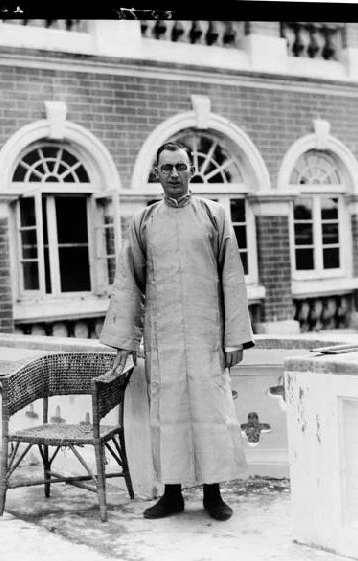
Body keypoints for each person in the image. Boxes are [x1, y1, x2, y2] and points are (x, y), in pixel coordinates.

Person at [99, 141, 255, 521]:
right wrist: (125, 338)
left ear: (191, 171)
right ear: (156, 173)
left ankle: (214, 493)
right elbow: (128, 282)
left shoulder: (214, 215)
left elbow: (232, 277)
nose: (173, 174)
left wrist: (234, 336)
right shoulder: (144, 222)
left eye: (179, 167)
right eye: (166, 167)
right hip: (162, 337)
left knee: (210, 412)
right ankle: (171, 495)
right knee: (167, 416)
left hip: (206, 335)